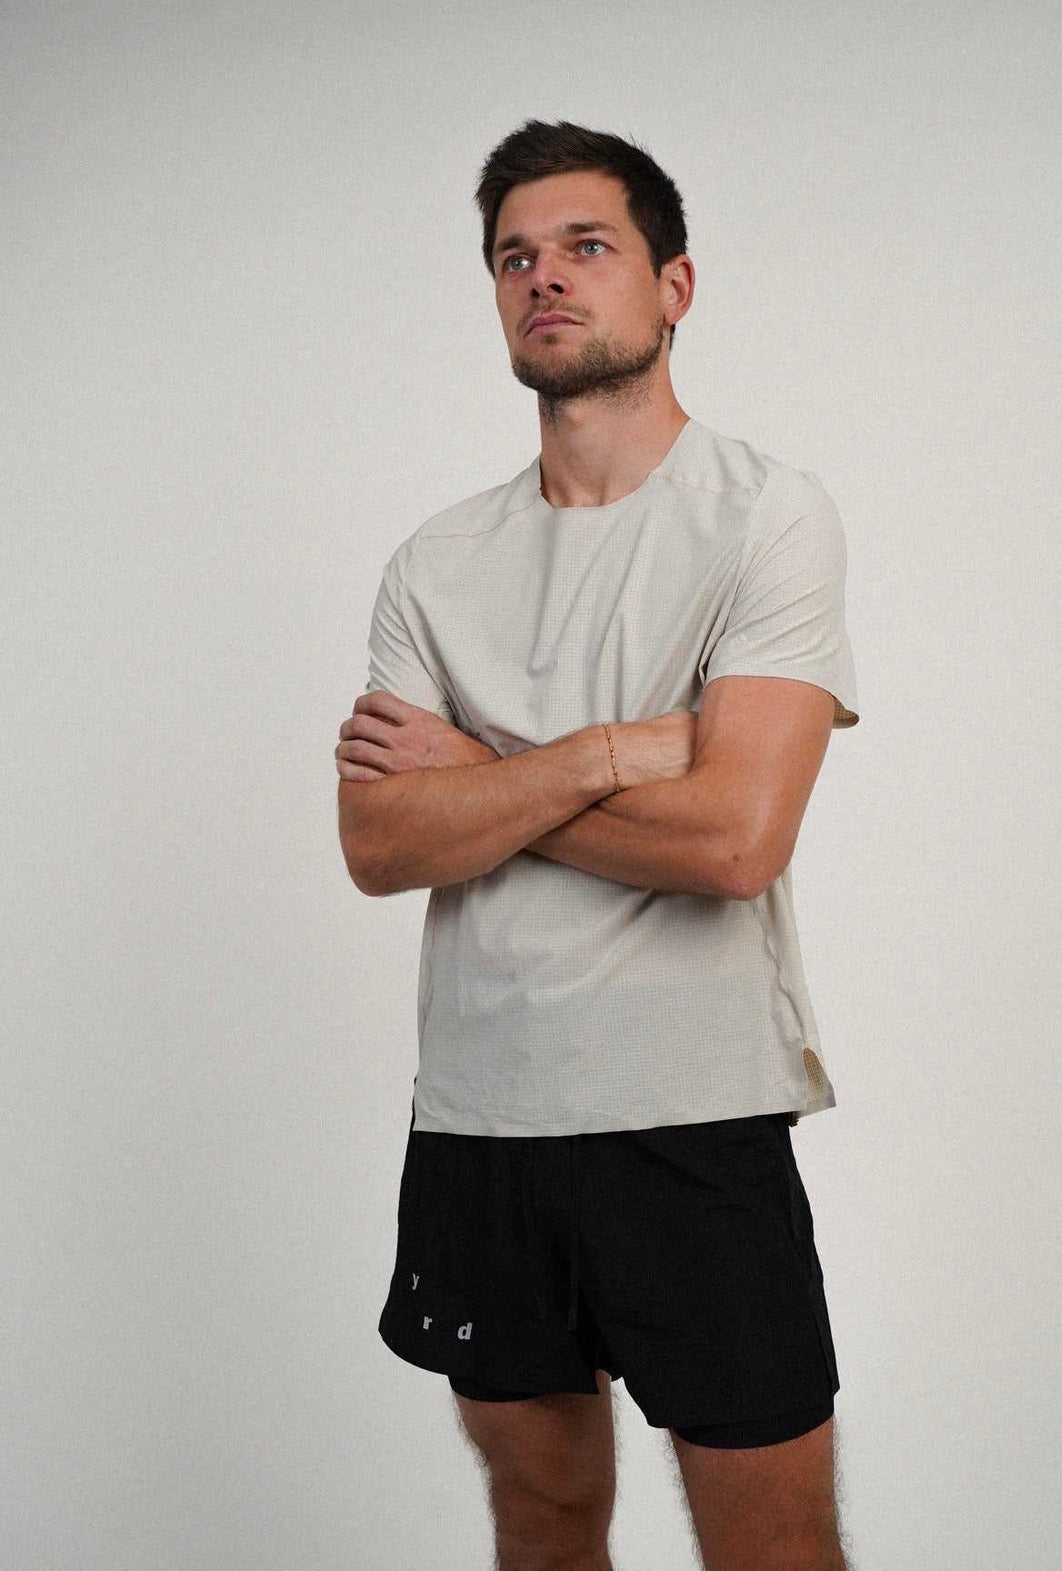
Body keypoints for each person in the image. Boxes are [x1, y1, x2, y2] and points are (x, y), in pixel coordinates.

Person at [336, 117, 860, 1571]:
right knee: (543, 1520)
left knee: (773, 1544)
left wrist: (481, 781)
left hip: (690, 1112)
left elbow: (736, 838)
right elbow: (380, 839)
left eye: (586, 247)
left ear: (674, 285)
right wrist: (608, 754)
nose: (545, 278)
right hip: (478, 1121)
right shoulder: (436, 564)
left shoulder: (765, 517)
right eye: (515, 258)